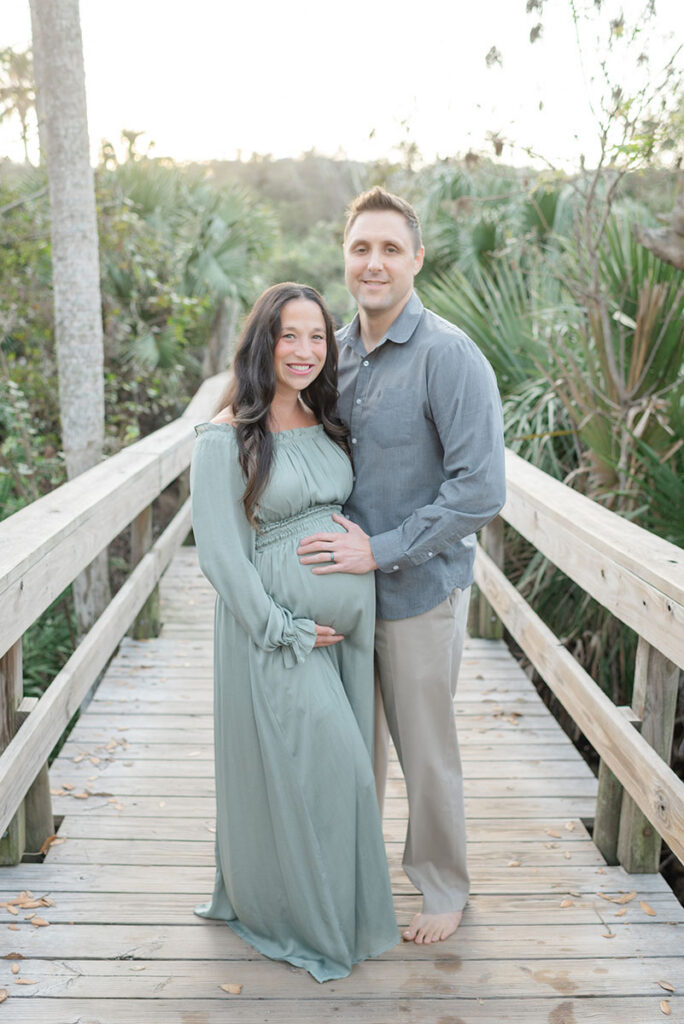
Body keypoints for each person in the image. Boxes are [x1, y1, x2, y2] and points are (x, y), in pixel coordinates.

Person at [298, 188, 506, 945]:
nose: (374, 263)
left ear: (416, 258)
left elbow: (481, 488)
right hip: (343, 595)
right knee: (355, 747)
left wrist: (380, 549)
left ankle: (444, 886)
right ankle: (355, 875)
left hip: (418, 590)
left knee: (425, 749)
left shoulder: (449, 356)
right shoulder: (333, 350)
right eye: (361, 249)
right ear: (344, 257)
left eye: (390, 248)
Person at [190, 282, 399, 983]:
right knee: (333, 771)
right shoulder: (225, 435)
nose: (306, 350)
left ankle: (339, 908)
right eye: (289, 336)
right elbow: (221, 555)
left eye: (317, 336)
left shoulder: (322, 417)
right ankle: (300, 917)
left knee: (338, 774)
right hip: (277, 633)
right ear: (263, 343)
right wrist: (285, 627)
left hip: (347, 632)